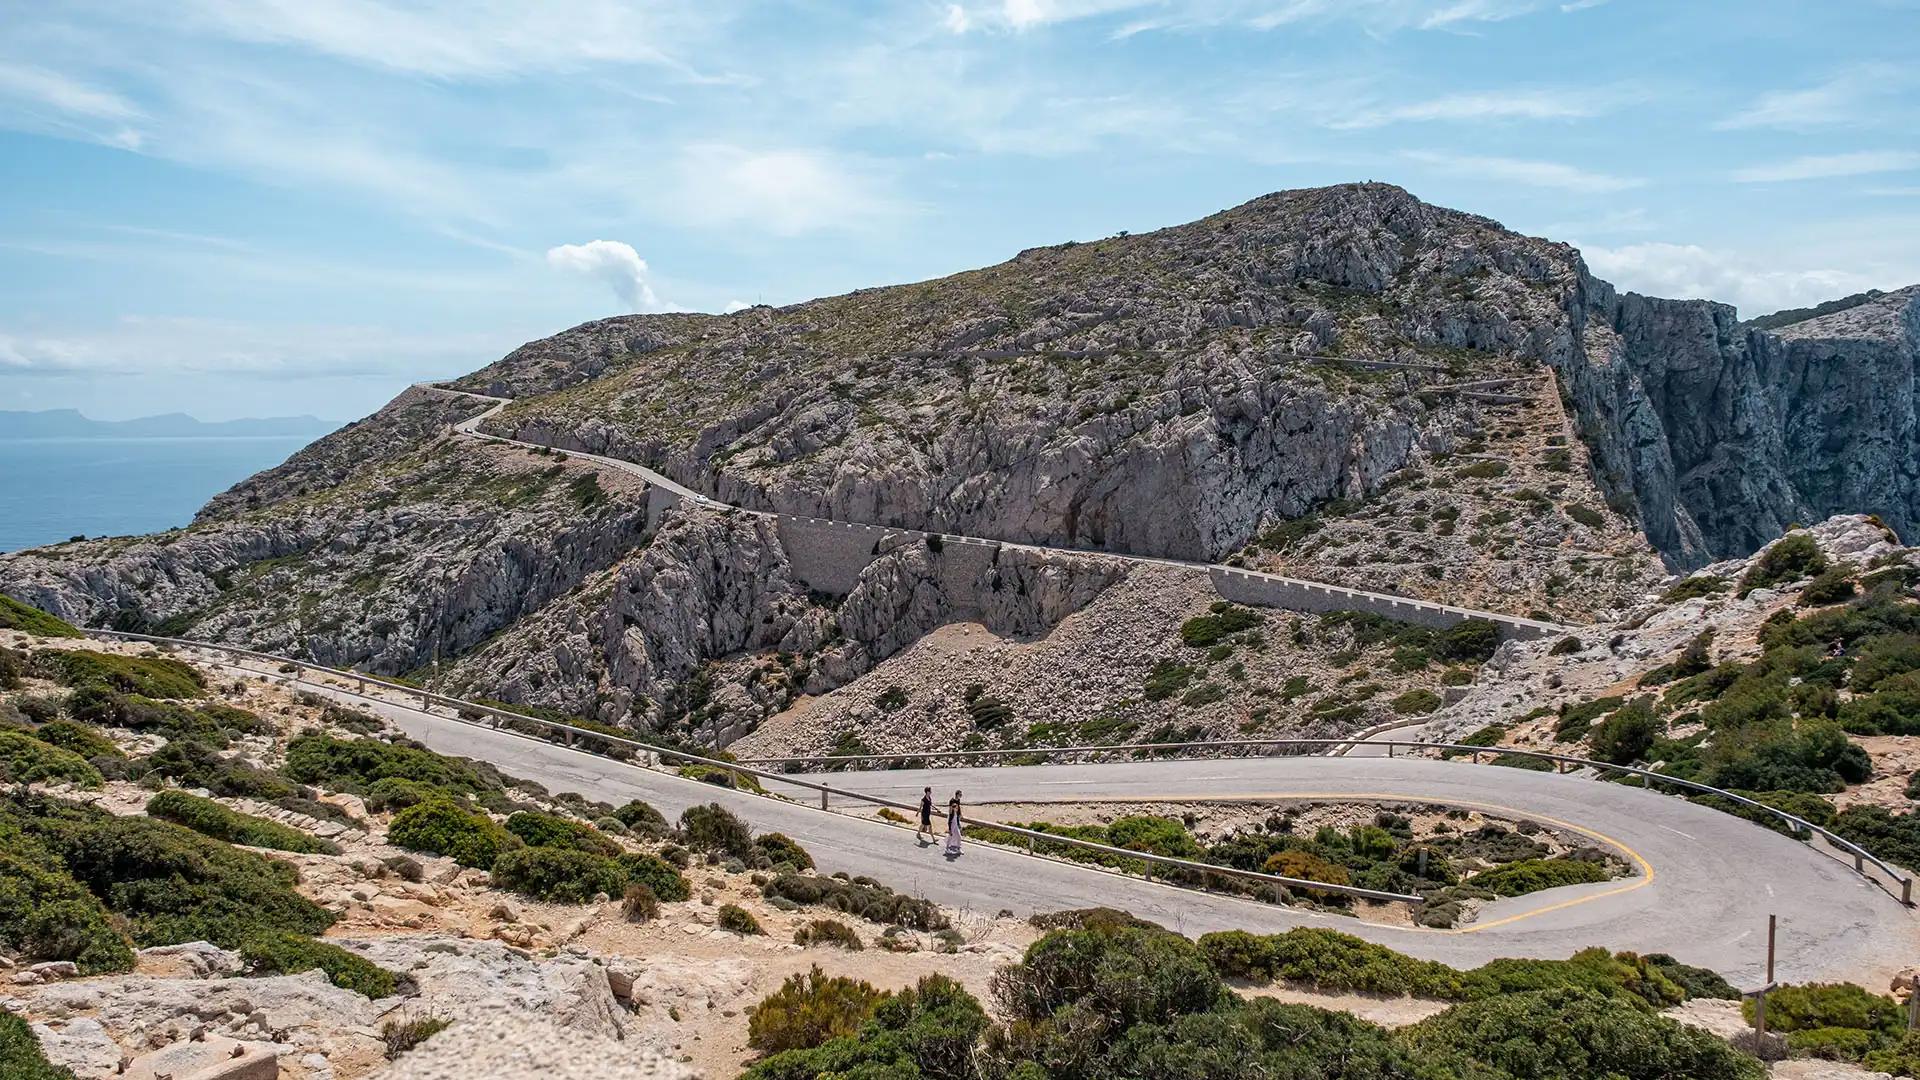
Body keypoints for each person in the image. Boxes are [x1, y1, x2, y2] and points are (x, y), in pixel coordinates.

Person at [944, 790, 963, 858]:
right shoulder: (952, 801)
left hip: (956, 821)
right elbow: (950, 812)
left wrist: (960, 814)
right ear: (957, 795)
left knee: (959, 836)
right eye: (960, 794)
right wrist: (949, 828)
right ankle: (947, 848)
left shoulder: (958, 801)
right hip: (952, 821)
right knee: (951, 835)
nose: (961, 796)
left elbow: (959, 808)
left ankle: (958, 848)